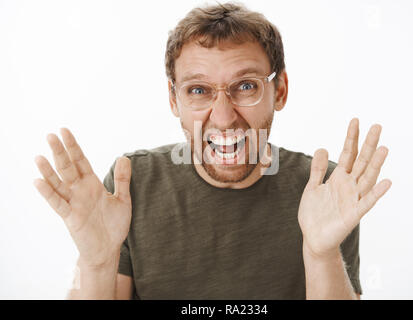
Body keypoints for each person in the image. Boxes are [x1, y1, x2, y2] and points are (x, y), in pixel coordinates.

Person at [33, 3, 391, 300]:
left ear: (279, 90)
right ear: (174, 99)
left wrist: (321, 254)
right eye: (199, 91)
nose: (223, 117)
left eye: (246, 86)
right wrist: (96, 264)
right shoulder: (134, 184)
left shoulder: (324, 190)